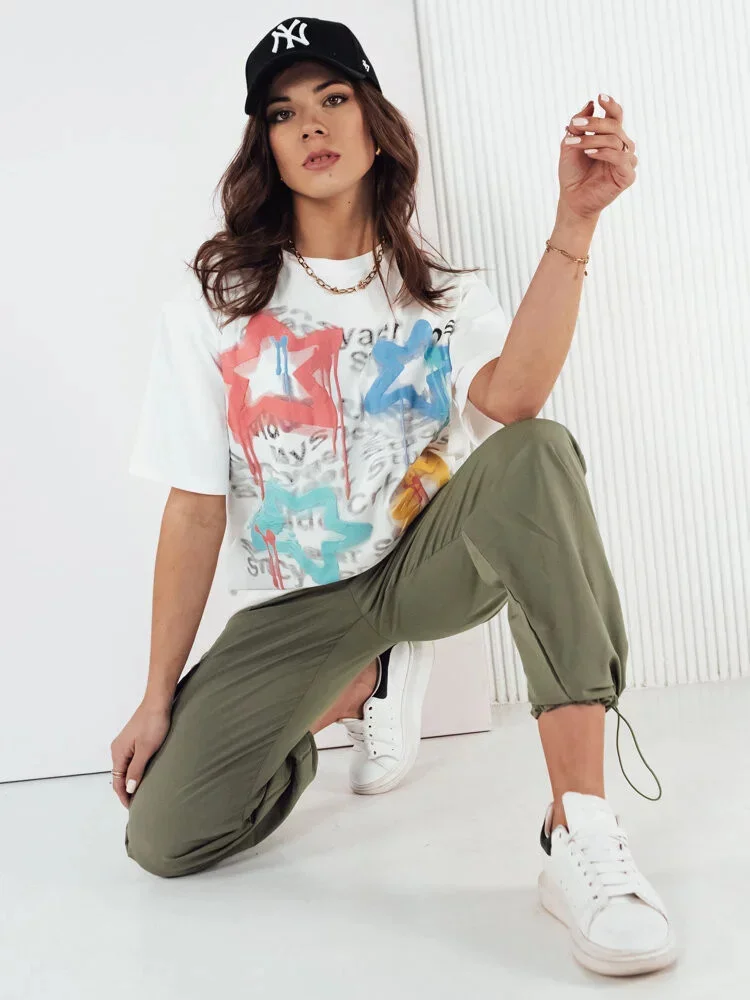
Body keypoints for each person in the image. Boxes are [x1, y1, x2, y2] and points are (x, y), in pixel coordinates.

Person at [112, 15, 677, 977]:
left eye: (334, 98)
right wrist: (156, 697)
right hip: (293, 607)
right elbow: (196, 505)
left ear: (374, 126)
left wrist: (577, 221)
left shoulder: (442, 295)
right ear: (265, 145)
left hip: (424, 567)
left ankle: (579, 827)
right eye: (284, 112)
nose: (312, 124)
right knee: (165, 837)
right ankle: (355, 684)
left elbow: (512, 403)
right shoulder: (215, 306)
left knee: (535, 452)